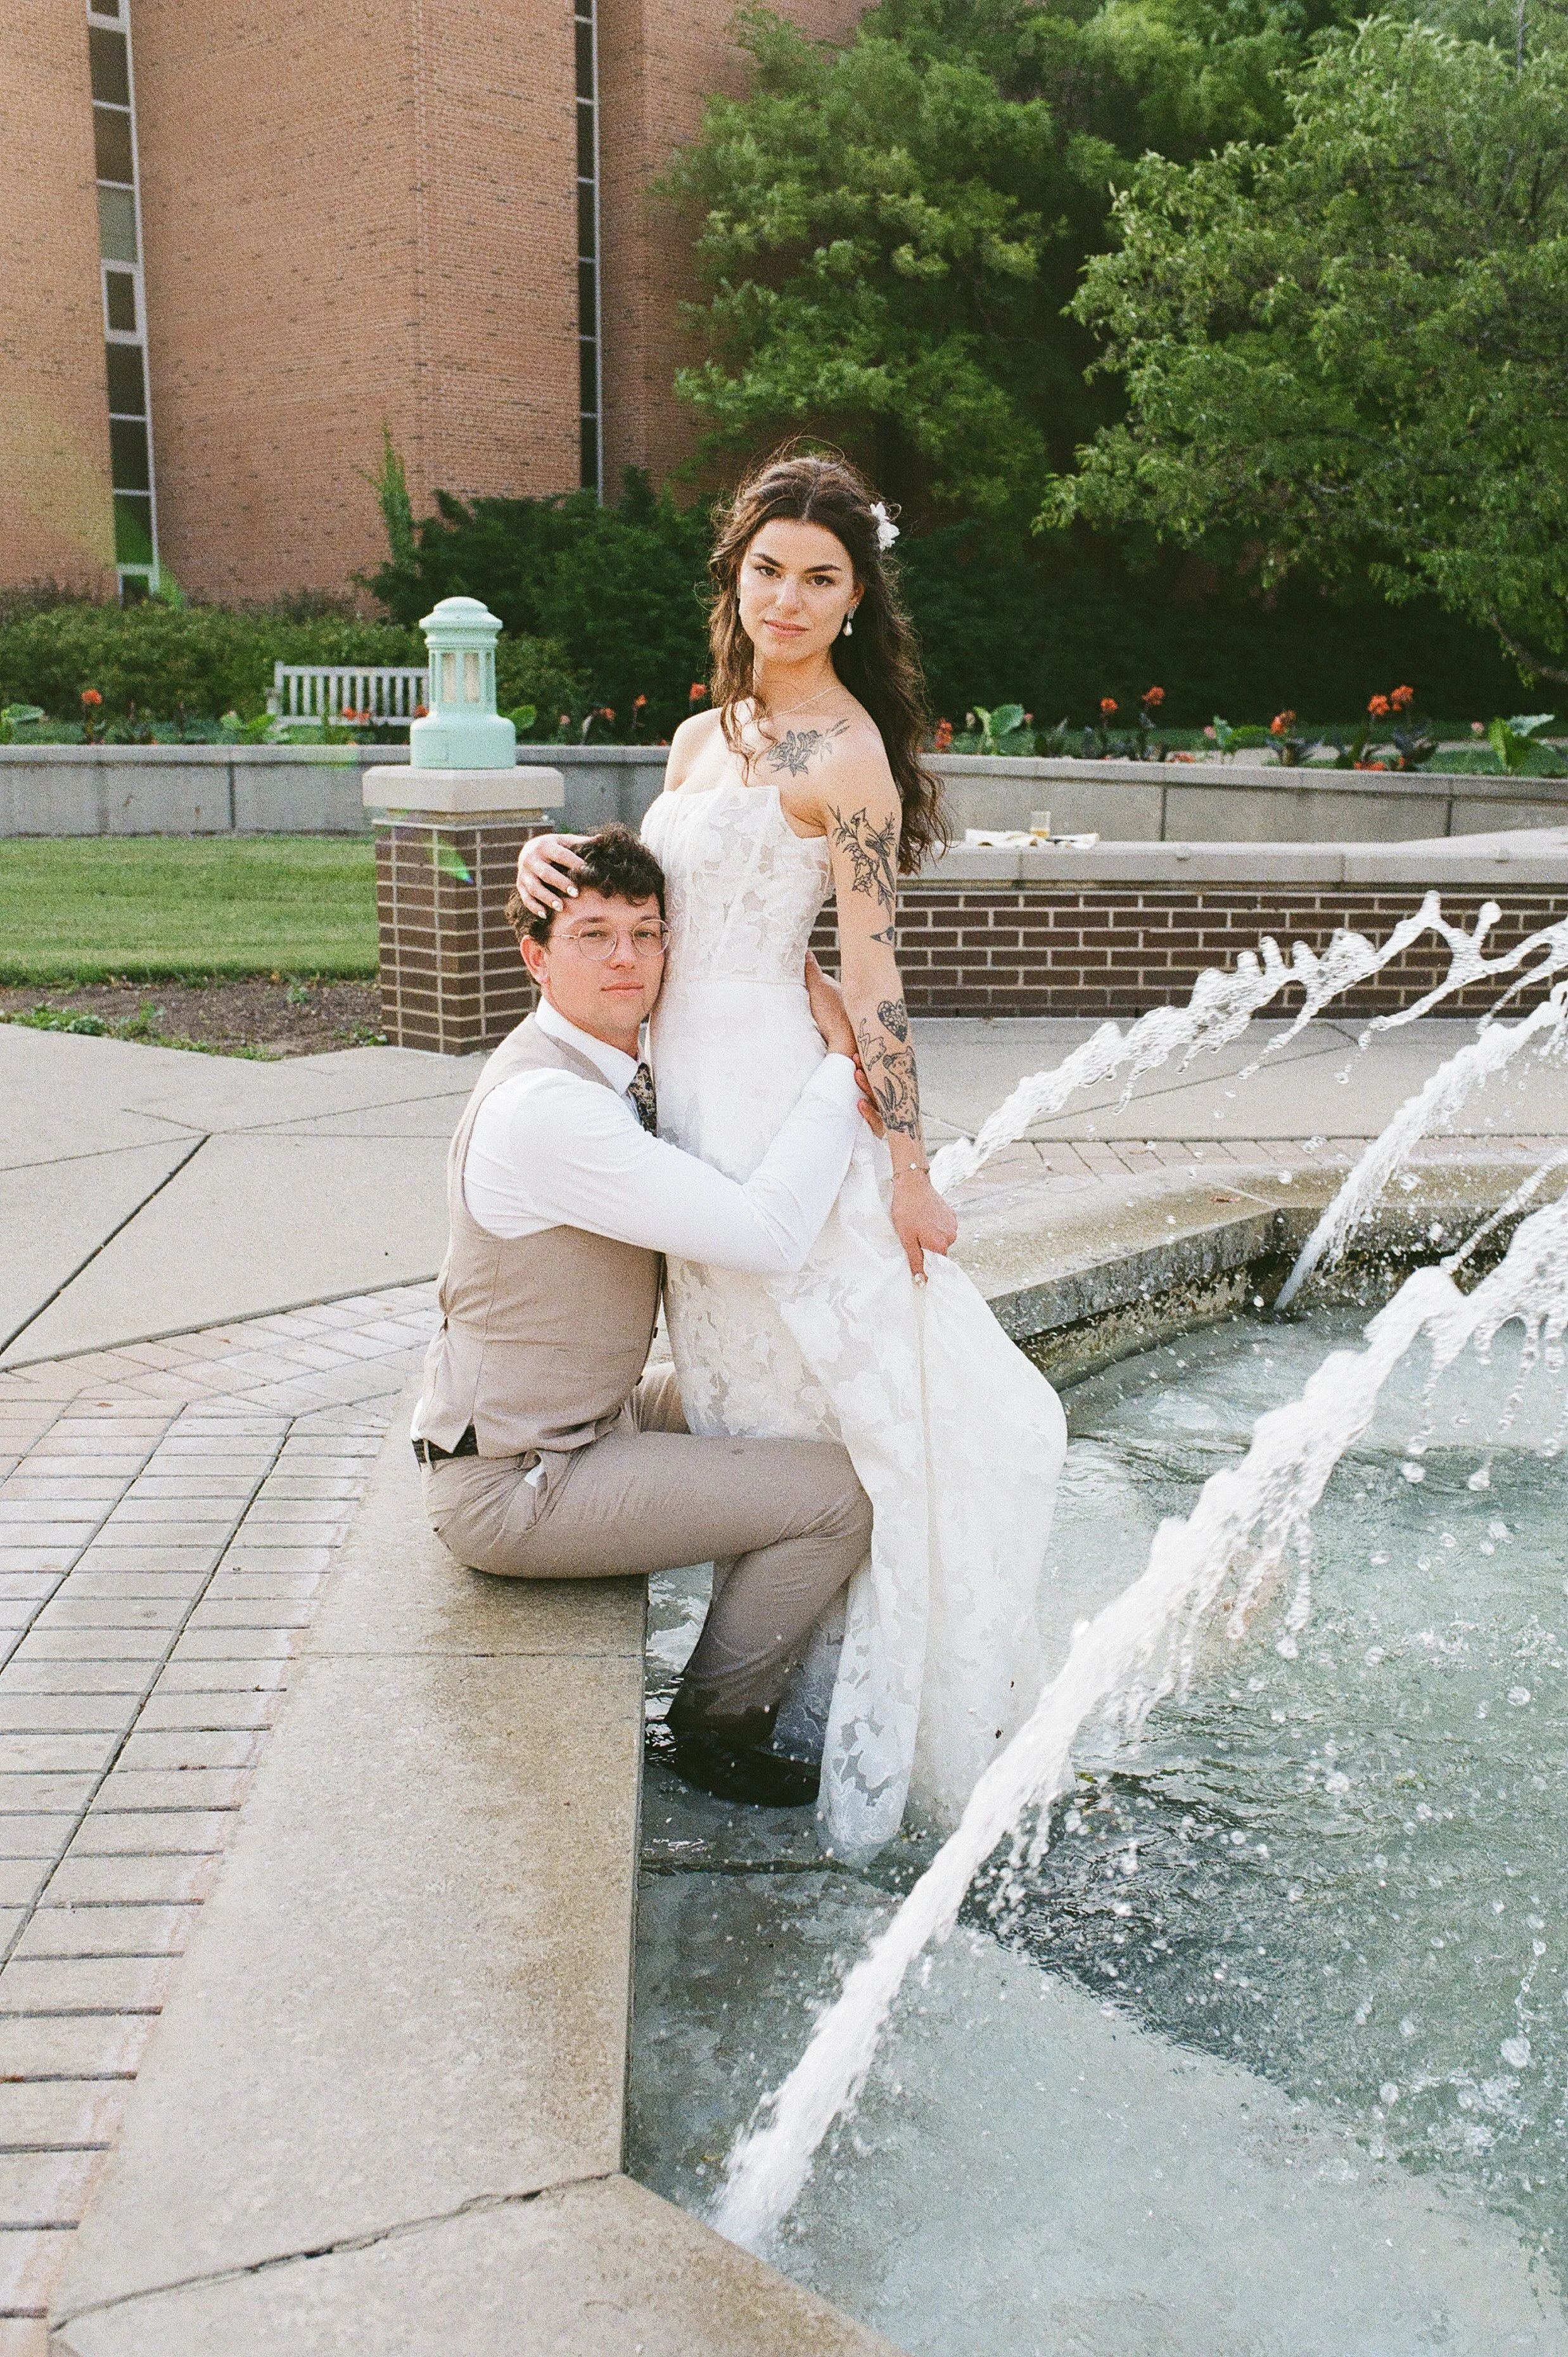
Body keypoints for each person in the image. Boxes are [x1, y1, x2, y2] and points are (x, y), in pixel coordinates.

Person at [514, 447, 1068, 1864]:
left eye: (823, 578)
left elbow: (873, 973)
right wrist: (545, 860)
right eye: (770, 569)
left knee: (830, 1403)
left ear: (857, 595)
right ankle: (743, 1686)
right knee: (738, 1397)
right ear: (736, 573)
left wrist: (905, 1165)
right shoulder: (705, 739)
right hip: (677, 1096)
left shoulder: (852, 760)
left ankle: (769, 1707)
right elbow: (649, 909)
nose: (790, 598)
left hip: (770, 1101)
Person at [411, 821, 884, 1810]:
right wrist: (841, 1069)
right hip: (520, 1482)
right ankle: (714, 1726)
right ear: (535, 957)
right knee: (839, 1493)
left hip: (581, 1416)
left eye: (646, 931)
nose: (626, 957)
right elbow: (764, 1234)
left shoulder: (603, 1060)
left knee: (800, 1407)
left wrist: (557, 841)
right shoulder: (549, 1108)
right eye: (592, 935)